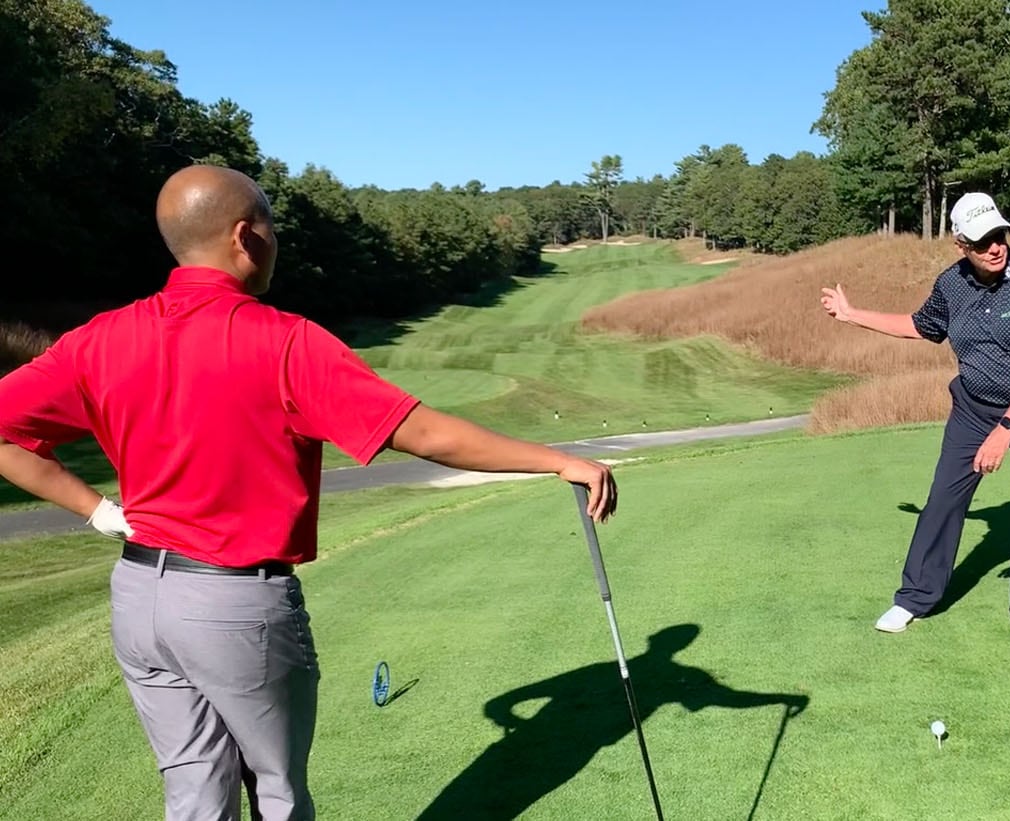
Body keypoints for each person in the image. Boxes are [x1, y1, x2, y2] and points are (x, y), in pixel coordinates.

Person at [0, 164, 618, 820]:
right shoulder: (286, 342)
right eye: (270, 223)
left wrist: (98, 511)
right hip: (236, 601)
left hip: (140, 596)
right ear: (246, 237)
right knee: (278, 793)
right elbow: (424, 432)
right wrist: (556, 460)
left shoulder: (101, 338)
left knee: (194, 795)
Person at [819, 191, 1010, 651]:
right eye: (982, 241)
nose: (995, 247)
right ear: (960, 244)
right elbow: (921, 326)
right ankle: (915, 598)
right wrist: (852, 315)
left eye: (999, 235)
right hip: (974, 408)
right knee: (943, 501)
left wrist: (1006, 431)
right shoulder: (951, 285)